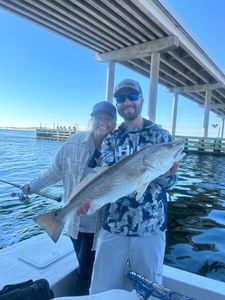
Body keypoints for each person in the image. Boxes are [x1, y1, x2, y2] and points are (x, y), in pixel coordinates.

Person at [80, 79, 180, 294]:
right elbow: (103, 178)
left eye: (132, 96)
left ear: (141, 99)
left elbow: (170, 184)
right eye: (120, 98)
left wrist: (166, 175)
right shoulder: (111, 139)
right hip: (114, 226)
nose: (127, 102)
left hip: (151, 228)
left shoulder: (161, 136)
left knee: (149, 293)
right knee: (100, 291)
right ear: (117, 104)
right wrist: (87, 202)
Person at [21, 101, 117, 296]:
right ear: (92, 119)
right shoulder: (73, 142)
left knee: (87, 268)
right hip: (73, 220)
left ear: (114, 123)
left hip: (100, 226)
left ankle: (83, 293)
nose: (103, 123)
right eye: (99, 118)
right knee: (83, 265)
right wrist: (32, 186)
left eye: (108, 119)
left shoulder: (119, 149)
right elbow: (55, 171)